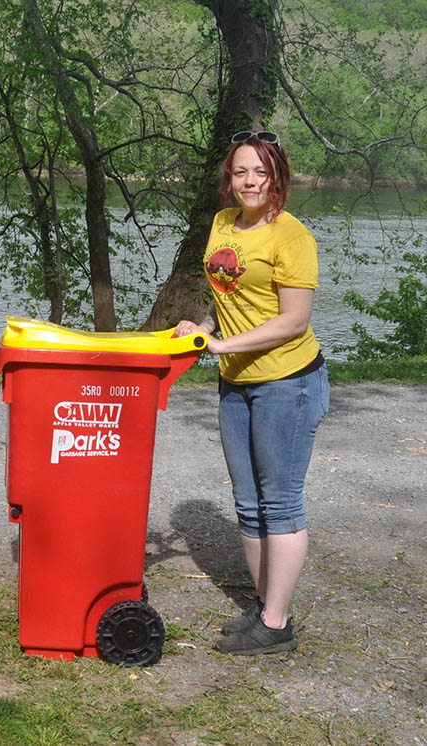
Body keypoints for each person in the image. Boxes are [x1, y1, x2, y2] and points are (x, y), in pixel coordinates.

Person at [176, 129, 330, 655]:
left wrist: (222, 347)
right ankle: (265, 609)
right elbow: (227, 297)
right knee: (247, 503)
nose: (249, 181)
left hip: (288, 383)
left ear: (277, 177)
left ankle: (277, 623)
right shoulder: (222, 225)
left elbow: (293, 321)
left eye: (260, 171)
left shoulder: (292, 238)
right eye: (241, 171)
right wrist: (197, 326)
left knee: (280, 502)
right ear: (229, 177)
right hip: (238, 380)